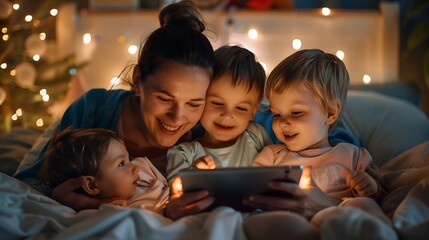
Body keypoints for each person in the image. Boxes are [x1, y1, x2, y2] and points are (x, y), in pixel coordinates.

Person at [14, 0, 216, 218]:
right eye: (165, 98)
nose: (177, 117)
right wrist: (58, 196)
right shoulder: (94, 110)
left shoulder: (210, 127)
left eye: (194, 103)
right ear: (138, 79)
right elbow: (29, 184)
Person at [243, 49, 396, 240]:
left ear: (331, 112)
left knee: (363, 205)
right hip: (293, 218)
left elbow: (383, 196)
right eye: (277, 114)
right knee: (263, 221)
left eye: (296, 113)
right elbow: (252, 192)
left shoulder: (352, 154)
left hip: (342, 212)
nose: (283, 122)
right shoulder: (272, 156)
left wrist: (370, 188)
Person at [165, 44, 271, 181]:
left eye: (241, 108)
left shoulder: (256, 137)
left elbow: (278, 168)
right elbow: (175, 192)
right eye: (217, 103)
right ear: (201, 100)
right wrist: (192, 177)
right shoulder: (183, 154)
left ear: (253, 112)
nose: (227, 115)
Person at [39, 128, 169, 214]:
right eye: (122, 164)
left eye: (128, 158)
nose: (135, 167)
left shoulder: (143, 169)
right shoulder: (113, 211)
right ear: (92, 185)